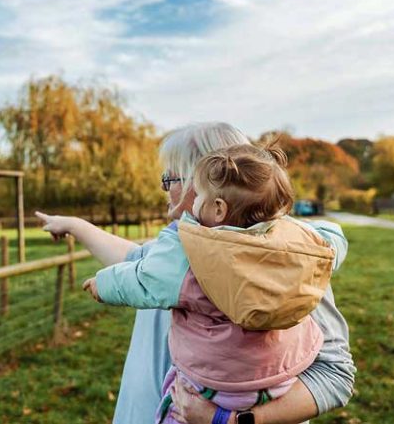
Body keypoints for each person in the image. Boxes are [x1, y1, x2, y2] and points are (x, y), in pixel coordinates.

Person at [36, 122, 355, 424]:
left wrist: (230, 420)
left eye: (170, 179)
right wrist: (74, 225)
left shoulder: (284, 262)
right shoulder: (176, 250)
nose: (165, 190)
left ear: (209, 185)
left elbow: (334, 376)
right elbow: (133, 258)